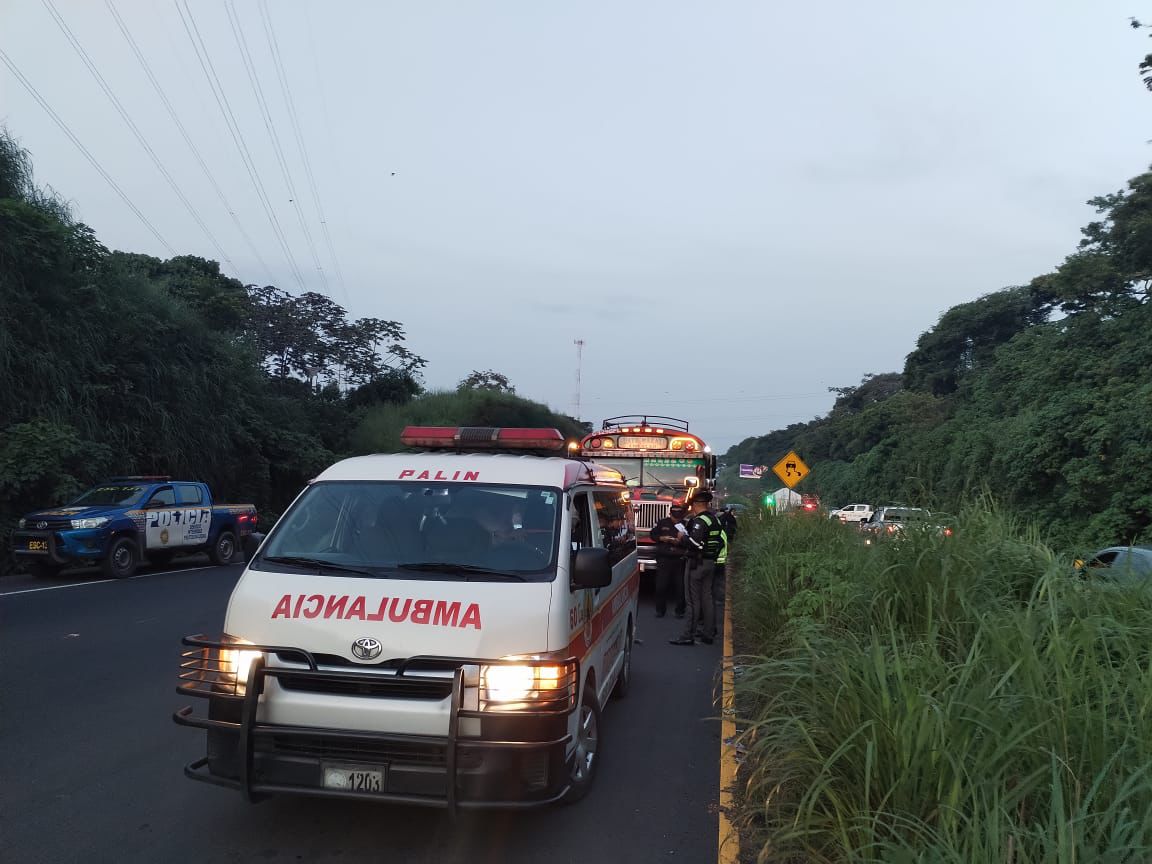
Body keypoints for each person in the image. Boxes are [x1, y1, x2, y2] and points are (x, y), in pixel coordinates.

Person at [670, 491, 724, 646]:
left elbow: (695, 543)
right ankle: (708, 633)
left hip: (697, 564)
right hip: (710, 563)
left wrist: (682, 537)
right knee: (707, 598)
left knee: (693, 601)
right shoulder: (715, 519)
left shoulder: (700, 521)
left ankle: (688, 635)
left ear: (695, 505)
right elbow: (719, 540)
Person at [649, 503, 687, 618]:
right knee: (661, 586)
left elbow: (691, 540)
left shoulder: (686, 524)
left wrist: (680, 541)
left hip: (679, 559)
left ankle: (680, 611)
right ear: (670, 514)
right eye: (674, 516)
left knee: (680, 587)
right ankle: (660, 610)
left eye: (678, 516)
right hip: (664, 559)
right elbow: (653, 535)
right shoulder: (662, 523)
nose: (676, 519)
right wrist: (662, 538)